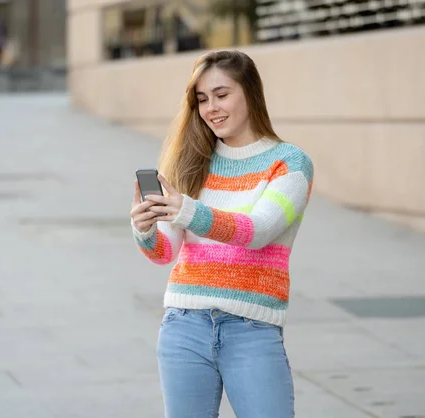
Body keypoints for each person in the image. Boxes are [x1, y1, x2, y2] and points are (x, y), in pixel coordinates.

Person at [130, 50, 314, 418]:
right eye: (201, 99)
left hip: (252, 328)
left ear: (250, 93)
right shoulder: (192, 161)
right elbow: (166, 252)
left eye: (221, 94)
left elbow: (258, 230)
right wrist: (145, 228)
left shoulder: (289, 163)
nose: (211, 107)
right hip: (184, 325)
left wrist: (186, 209)